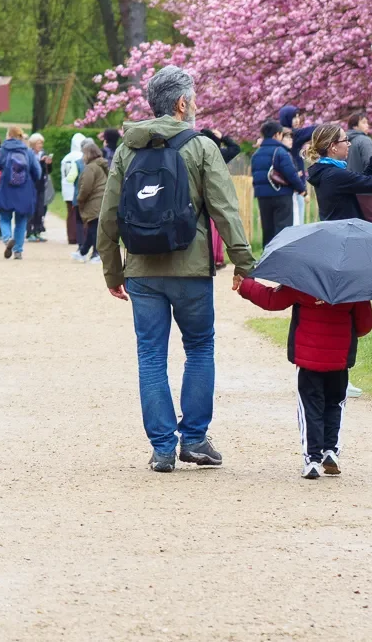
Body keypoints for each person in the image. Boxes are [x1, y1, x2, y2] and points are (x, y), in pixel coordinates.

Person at [97, 64, 255, 473]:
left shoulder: (128, 149)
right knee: (199, 348)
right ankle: (196, 439)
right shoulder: (201, 147)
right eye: (195, 98)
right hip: (191, 268)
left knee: (150, 355)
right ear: (182, 103)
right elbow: (224, 209)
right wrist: (243, 262)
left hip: (142, 271)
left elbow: (109, 215)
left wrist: (113, 272)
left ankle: (163, 447)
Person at [234, 272, 372, 478]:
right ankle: (331, 451)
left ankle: (312, 460)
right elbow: (365, 324)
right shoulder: (354, 283)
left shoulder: (303, 277)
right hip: (339, 359)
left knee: (310, 406)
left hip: (308, 357)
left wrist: (246, 285)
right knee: (335, 404)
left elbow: (272, 299)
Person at [303, 123, 372, 221]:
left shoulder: (324, 171)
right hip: (344, 233)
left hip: (336, 231)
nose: (349, 144)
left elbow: (363, 179)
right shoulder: (334, 175)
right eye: (345, 140)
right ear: (333, 146)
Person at [250, 119, 306, 249]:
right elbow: (291, 174)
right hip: (281, 195)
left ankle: (267, 258)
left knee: (268, 229)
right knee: (282, 230)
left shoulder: (256, 154)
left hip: (263, 197)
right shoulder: (281, 152)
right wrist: (302, 189)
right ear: (277, 135)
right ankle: (280, 260)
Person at [0, 129, 42, 258]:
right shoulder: (28, 151)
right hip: (24, 190)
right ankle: (18, 250)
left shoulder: (4, 150)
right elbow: (38, 172)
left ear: (8, 136)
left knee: (4, 217)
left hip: (6, 188)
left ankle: (7, 239)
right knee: (21, 220)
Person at [345, 113, 372, 224]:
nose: (368, 126)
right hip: (364, 190)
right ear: (355, 126)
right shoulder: (364, 141)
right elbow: (370, 162)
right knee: (371, 223)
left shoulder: (343, 141)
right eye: (364, 122)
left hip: (346, 189)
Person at [75, 139, 107, 262]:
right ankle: (83, 251)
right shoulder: (100, 164)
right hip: (101, 200)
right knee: (93, 227)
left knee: (94, 228)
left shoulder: (90, 167)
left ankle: (96, 253)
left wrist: (80, 198)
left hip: (94, 201)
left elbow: (86, 187)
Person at [60, 133, 91, 255]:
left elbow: (64, 175)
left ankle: (71, 236)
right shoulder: (81, 158)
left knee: (70, 213)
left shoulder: (66, 157)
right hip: (78, 189)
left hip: (67, 188)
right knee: (80, 215)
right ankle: (81, 237)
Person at [25, 132, 51, 240]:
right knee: (32, 208)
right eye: (38, 143)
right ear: (33, 144)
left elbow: (48, 171)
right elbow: (30, 169)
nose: (40, 146)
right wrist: (40, 163)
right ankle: (29, 232)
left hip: (41, 185)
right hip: (31, 184)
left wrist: (49, 164)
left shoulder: (43, 153)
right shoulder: (29, 154)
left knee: (40, 209)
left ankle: (37, 231)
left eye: (41, 143)